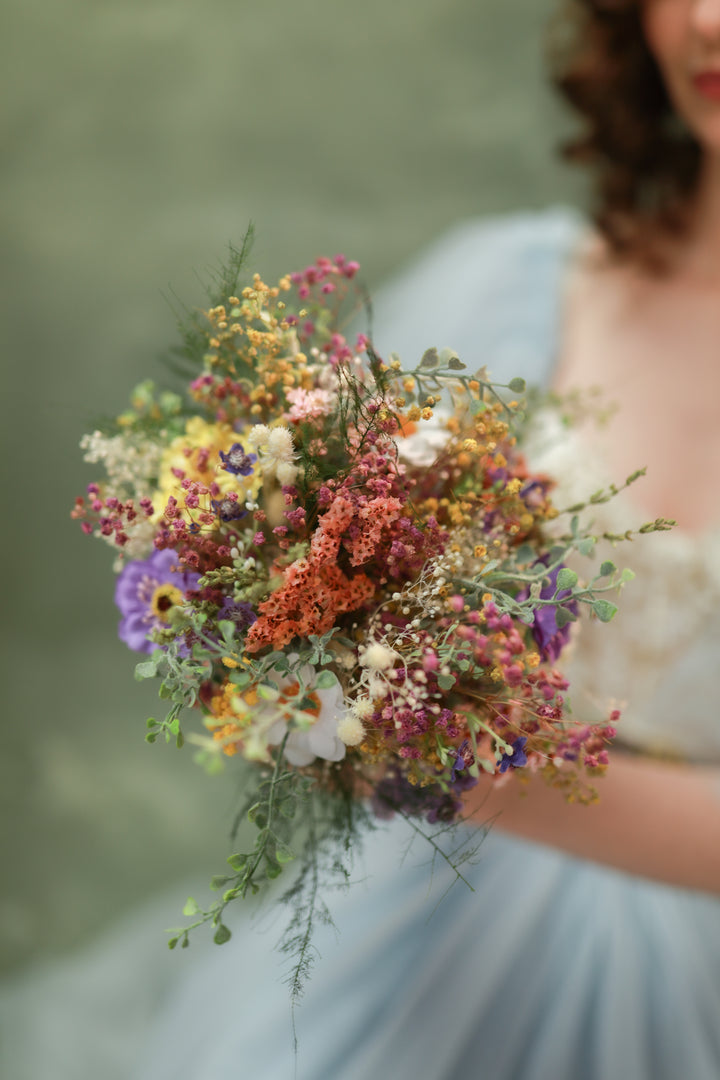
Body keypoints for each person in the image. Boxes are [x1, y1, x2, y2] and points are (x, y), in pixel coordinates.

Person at [2, 1, 720, 1077]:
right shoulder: (503, 290)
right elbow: (320, 570)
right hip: (418, 940)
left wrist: (473, 768)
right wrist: (273, 623)